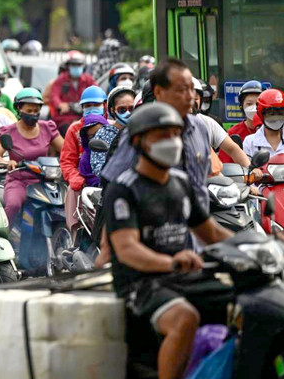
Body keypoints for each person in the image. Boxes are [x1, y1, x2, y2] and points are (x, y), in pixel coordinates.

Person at [104, 103, 232, 379]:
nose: (172, 142)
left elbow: (210, 232)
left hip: (182, 274)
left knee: (246, 303)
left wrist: (254, 245)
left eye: (176, 134)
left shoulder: (180, 182)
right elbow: (127, 249)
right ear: (138, 141)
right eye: (162, 135)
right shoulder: (124, 188)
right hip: (140, 282)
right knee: (184, 319)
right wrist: (171, 261)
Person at [101, 58, 216, 212]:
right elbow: (112, 183)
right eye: (181, 89)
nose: (190, 97)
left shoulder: (200, 127)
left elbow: (203, 182)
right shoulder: (139, 130)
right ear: (159, 93)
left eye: (192, 89)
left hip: (196, 228)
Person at [0, 88, 64, 225]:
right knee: (13, 205)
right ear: (18, 109)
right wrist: (6, 162)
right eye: (29, 111)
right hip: (18, 181)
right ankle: (4, 236)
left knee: (61, 204)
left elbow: (65, 150)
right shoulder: (9, 131)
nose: (33, 114)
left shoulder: (47, 128)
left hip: (44, 181)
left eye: (36, 111)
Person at [59, 85, 107, 229]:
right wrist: (75, 177)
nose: (92, 108)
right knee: (73, 190)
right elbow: (67, 161)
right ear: (82, 107)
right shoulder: (74, 129)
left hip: (105, 178)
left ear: (104, 106)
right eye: (88, 105)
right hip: (83, 181)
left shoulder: (110, 127)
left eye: (96, 105)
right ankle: (74, 236)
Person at [191, 77, 251, 170]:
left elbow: (233, 149)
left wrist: (250, 169)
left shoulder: (207, 123)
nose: (190, 102)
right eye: (185, 98)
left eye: (195, 98)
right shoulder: (168, 124)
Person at [48, 50, 97, 135]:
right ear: (68, 67)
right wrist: (60, 105)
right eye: (73, 65)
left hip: (84, 116)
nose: (76, 67)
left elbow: (97, 93)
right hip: (65, 118)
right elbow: (54, 95)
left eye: (79, 65)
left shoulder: (88, 80)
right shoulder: (61, 79)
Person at [243, 88, 284, 158]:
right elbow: (247, 167)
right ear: (261, 114)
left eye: (280, 114)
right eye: (271, 114)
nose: (276, 118)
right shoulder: (250, 142)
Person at [220, 80, 264, 163]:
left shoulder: (273, 131)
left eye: (258, 104)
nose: (254, 108)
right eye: (249, 104)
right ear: (241, 106)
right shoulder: (233, 133)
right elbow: (226, 164)